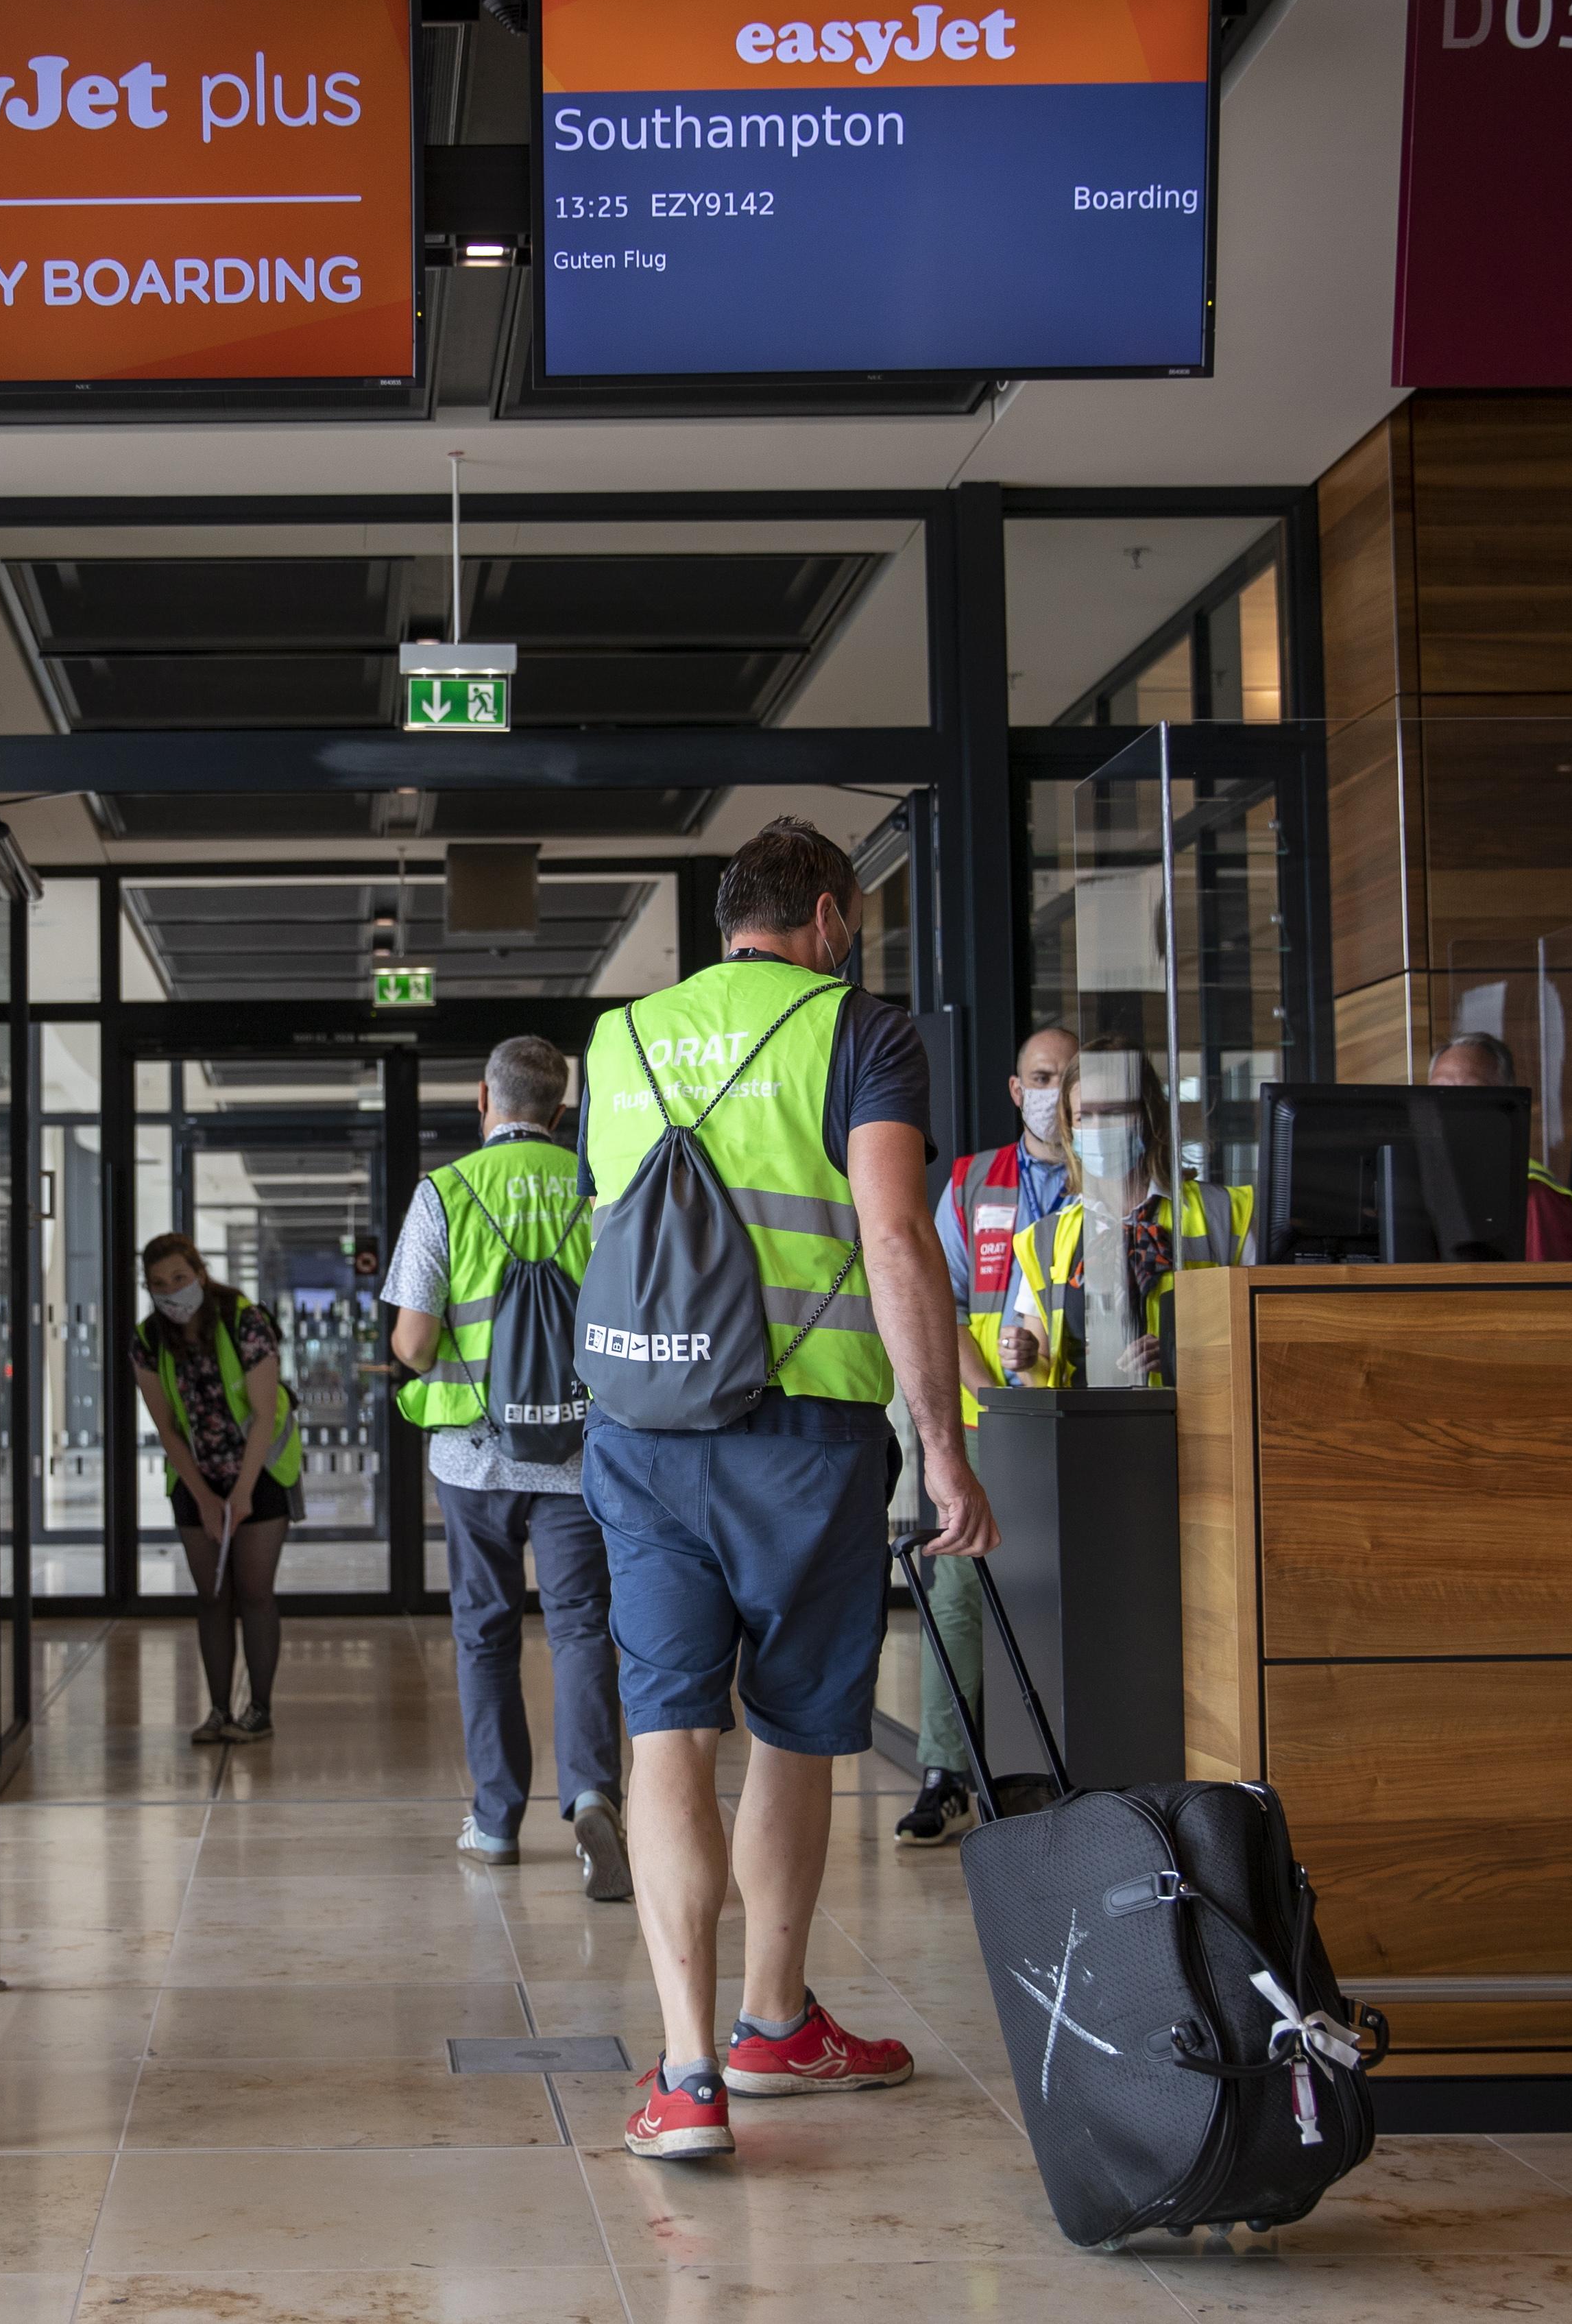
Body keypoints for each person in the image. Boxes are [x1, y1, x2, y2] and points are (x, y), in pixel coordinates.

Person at [578, 817, 993, 2164]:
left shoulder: (620, 1043)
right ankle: (772, 2024)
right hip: (805, 1434)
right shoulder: (861, 1031)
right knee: (800, 1728)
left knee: (666, 1735)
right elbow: (889, 1233)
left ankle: (689, 2072)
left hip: (641, 1432)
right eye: (851, 920)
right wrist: (943, 1440)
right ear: (825, 912)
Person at [383, 1033, 627, 1899]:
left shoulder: (444, 1193)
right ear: (561, 1112)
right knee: (581, 1627)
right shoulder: (598, 1188)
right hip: (576, 1450)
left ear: (483, 1102)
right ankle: (595, 1790)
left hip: (473, 1457)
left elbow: (412, 1344)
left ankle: (495, 1821)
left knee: (485, 1636)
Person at [898, 1022, 1076, 1850]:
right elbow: (936, 1297)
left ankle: (1057, 1766)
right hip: (981, 1422)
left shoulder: (1108, 1184)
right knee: (959, 1593)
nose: (1056, 1092)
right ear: (1015, 1089)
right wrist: (987, 1395)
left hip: (1084, 1421)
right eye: (1041, 1075)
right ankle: (944, 1771)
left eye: (1069, 1077)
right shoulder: (972, 1183)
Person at [1000, 1040, 1257, 1389]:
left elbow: (1265, 1333)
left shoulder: (1224, 1213)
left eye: (1115, 1112)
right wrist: (1026, 1361)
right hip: (1091, 1430)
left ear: (1150, 1118)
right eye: (1084, 1116)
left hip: (1201, 1429)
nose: (1099, 1128)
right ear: (1069, 1126)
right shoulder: (1046, 1238)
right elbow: (1045, 1373)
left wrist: (1182, 1352)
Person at [130, 1232, 301, 1745]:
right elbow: (166, 1427)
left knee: (253, 1591)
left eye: (179, 1278)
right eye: (158, 1284)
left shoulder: (244, 1321)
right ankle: (219, 1710)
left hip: (261, 1468)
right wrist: (205, 1498)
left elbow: (266, 1413)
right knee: (211, 1596)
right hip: (195, 1473)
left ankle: (260, 1711)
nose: (170, 1291)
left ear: (200, 1274)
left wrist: (241, 1493)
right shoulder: (148, 1339)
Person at [1430, 1031, 1572, 1260]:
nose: (1452, 1108)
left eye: (1472, 1094)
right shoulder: (1417, 1186)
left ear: (1505, 1106)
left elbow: (1555, 1294)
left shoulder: (1535, 1197)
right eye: (1440, 1092)